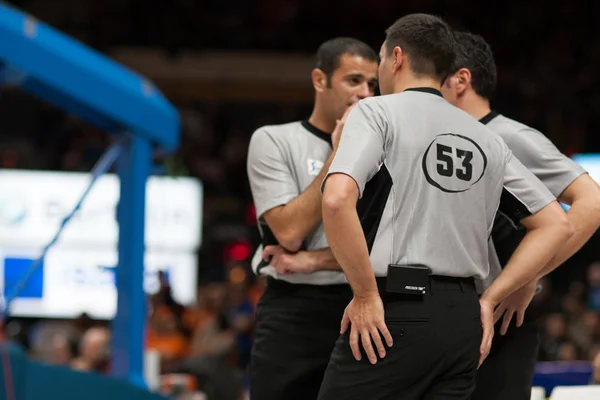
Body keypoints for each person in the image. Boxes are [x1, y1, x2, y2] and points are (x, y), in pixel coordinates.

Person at [317, 14, 574, 400]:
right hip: (463, 319)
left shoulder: (376, 112)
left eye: (382, 60)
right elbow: (557, 224)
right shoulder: (485, 136)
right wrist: (492, 298)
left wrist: (366, 295)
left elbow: (336, 200)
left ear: (397, 58)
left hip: (396, 308)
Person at [441, 31, 600, 400]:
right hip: (453, 315)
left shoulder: (508, 135)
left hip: (501, 322)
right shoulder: (449, 138)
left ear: (460, 80)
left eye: (434, 76)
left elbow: (590, 201)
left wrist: (526, 277)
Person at [246, 37, 379, 400]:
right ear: (320, 80)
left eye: (372, 84)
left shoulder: (385, 150)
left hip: (360, 303)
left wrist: (314, 260)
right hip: (292, 310)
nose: (366, 93)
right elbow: (289, 232)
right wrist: (340, 153)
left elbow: (384, 245)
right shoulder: (274, 140)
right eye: (354, 81)